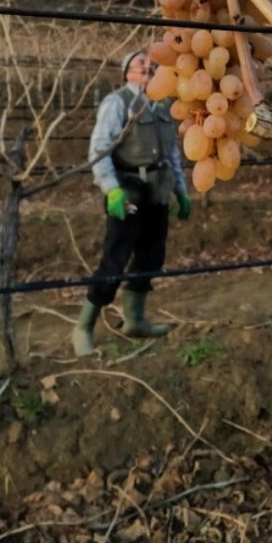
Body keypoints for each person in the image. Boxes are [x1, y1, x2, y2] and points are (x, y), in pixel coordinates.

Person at [72, 50, 192, 356]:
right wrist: (111, 188)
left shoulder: (164, 106)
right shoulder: (118, 103)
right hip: (129, 191)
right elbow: (99, 148)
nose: (150, 70)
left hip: (158, 190)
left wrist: (181, 190)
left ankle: (135, 320)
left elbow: (172, 154)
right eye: (142, 67)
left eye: (154, 66)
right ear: (127, 74)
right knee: (115, 258)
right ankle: (84, 326)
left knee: (151, 257)